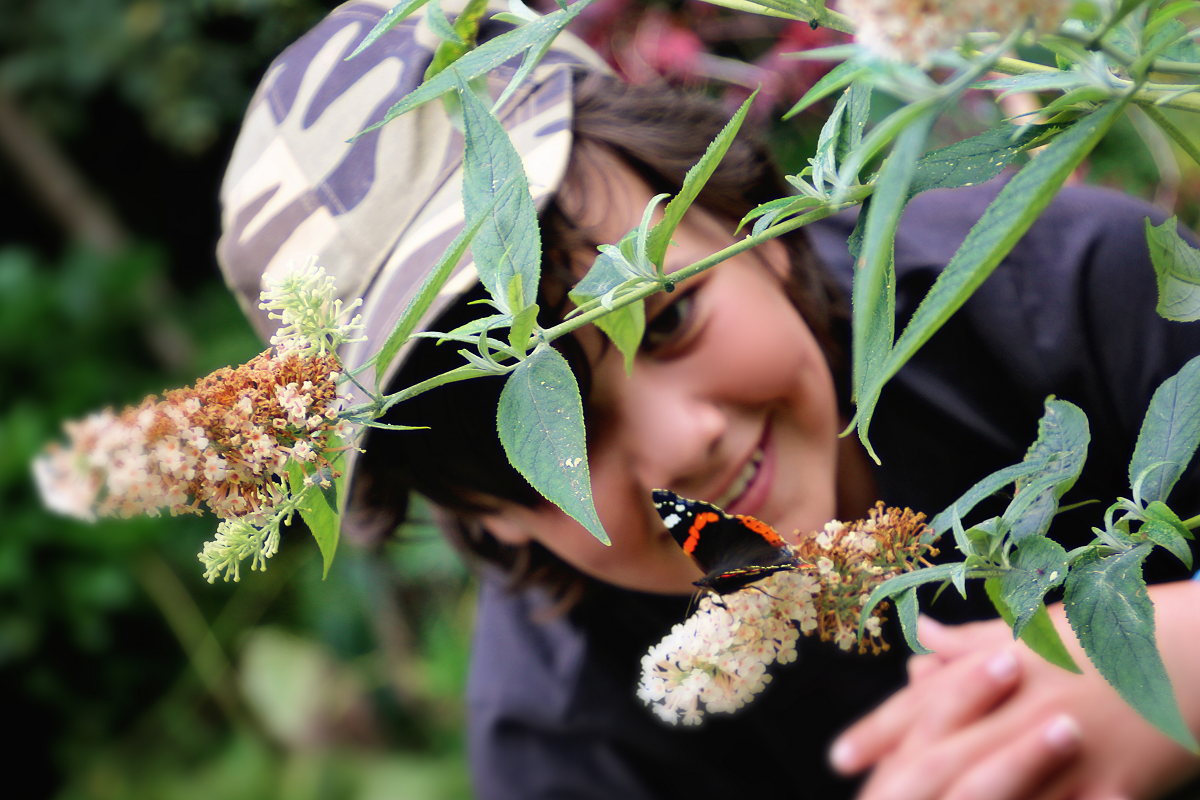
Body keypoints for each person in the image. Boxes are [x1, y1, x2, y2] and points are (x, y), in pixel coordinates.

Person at [216, 1, 1200, 798]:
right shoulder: (566, 754)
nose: (684, 441)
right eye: (552, 442)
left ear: (737, 218)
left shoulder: (1072, 288)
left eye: (670, 316)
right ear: (486, 511)